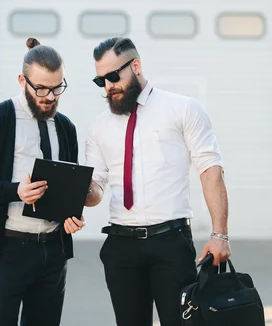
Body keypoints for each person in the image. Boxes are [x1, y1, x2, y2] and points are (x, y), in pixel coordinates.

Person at [83, 37, 231, 326]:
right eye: (100, 80)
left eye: (114, 76)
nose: (109, 85)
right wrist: (77, 191)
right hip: (121, 245)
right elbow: (97, 187)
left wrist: (220, 233)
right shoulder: (99, 126)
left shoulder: (182, 109)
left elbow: (210, 169)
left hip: (170, 243)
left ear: (136, 66)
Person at [0, 37, 99, 326]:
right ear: (22, 80)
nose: (50, 96)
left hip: (53, 253)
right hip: (10, 250)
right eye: (41, 88)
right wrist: (17, 192)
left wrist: (72, 217)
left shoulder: (65, 127)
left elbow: (67, 187)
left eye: (57, 88)